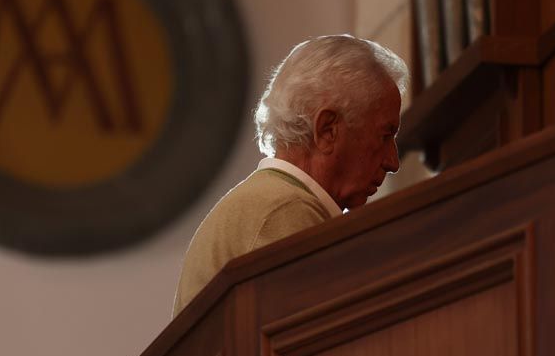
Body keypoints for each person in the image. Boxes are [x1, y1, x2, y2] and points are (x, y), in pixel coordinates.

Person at [173, 34, 408, 315]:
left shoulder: (267, 203)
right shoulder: (284, 212)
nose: (393, 162)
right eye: (384, 136)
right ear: (327, 130)